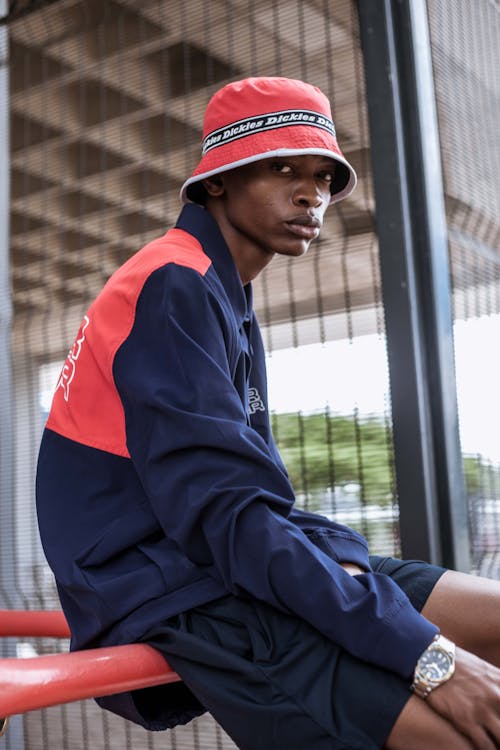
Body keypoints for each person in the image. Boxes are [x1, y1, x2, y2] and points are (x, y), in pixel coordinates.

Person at [36, 77, 500, 750]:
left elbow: (252, 501)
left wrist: (340, 559)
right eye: (283, 167)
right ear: (218, 179)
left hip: (222, 561)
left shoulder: (223, 292)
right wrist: (428, 657)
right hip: (177, 590)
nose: (310, 193)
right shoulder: (173, 284)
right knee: (469, 731)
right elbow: (231, 519)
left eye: (322, 176)